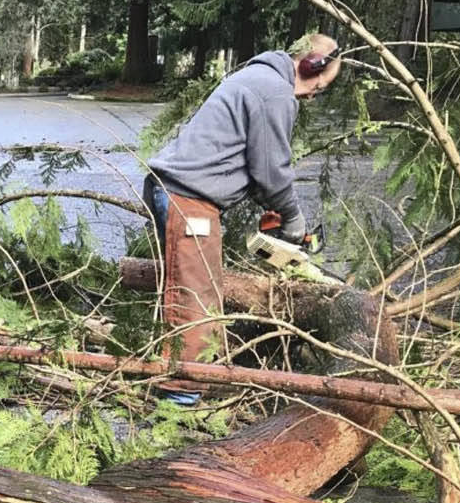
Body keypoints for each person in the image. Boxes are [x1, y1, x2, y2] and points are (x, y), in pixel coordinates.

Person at [142, 33, 343, 405]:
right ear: (310, 65)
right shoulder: (274, 91)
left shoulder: (258, 79)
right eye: (321, 83)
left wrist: (267, 206)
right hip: (188, 199)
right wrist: (293, 219)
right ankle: (178, 403)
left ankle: (180, 378)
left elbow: (241, 155)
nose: (316, 93)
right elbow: (272, 170)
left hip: (182, 193)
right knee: (196, 301)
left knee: (190, 290)